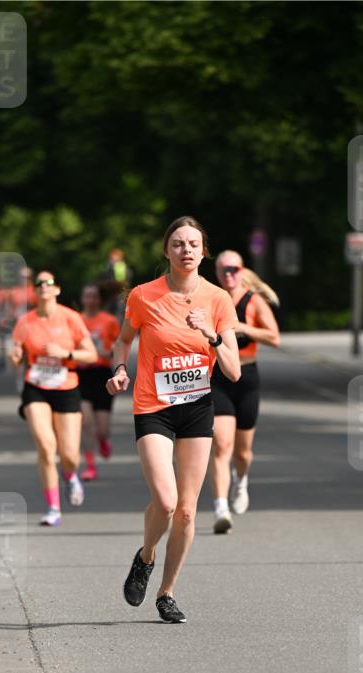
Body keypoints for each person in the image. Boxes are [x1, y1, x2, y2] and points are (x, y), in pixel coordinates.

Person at [107, 216, 241, 623]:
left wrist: (211, 335)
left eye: (193, 244)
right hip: (154, 407)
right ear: (167, 251)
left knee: (186, 511)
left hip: (197, 408)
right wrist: (119, 369)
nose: (186, 250)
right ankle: (146, 556)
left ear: (204, 252)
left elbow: (233, 371)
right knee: (165, 501)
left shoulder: (218, 299)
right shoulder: (144, 296)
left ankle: (167, 593)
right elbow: (123, 341)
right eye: (178, 243)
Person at [8, 271, 97, 526]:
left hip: (66, 386)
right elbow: (16, 356)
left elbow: (91, 355)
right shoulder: (25, 321)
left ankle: (70, 476)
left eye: (48, 283)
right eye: (39, 284)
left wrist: (65, 353)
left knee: (70, 456)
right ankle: (53, 507)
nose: (43, 286)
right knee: (46, 449)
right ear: (35, 291)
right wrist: (14, 357)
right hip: (36, 386)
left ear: (57, 289)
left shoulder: (71, 318)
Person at [210, 252, 280, 534]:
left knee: (243, 452)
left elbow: (274, 337)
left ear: (241, 270)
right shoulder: (211, 298)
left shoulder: (253, 301)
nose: (228, 274)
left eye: (233, 269)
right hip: (218, 377)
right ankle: (220, 508)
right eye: (223, 269)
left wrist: (243, 327)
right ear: (216, 272)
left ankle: (241, 481)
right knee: (222, 444)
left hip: (247, 376)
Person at [77, 283, 121, 481]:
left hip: (102, 374)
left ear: (99, 299)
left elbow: (119, 345)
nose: (91, 300)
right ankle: (90, 465)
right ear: (82, 299)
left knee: (102, 428)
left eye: (94, 296)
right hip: (81, 374)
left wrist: (107, 352)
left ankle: (103, 440)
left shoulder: (109, 321)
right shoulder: (76, 320)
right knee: (85, 422)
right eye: (87, 296)